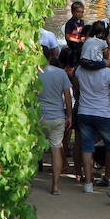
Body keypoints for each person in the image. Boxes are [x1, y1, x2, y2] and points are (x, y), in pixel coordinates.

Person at [74, 49, 110, 196]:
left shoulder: (79, 71)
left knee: (87, 147)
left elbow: (76, 88)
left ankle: (88, 183)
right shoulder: (107, 72)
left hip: (84, 111)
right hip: (103, 113)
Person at [38, 41, 73, 195]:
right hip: (57, 116)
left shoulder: (35, 73)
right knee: (56, 149)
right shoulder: (61, 73)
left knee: (34, 149)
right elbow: (67, 97)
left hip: (39, 116)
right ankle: (56, 186)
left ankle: (26, 181)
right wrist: (70, 116)